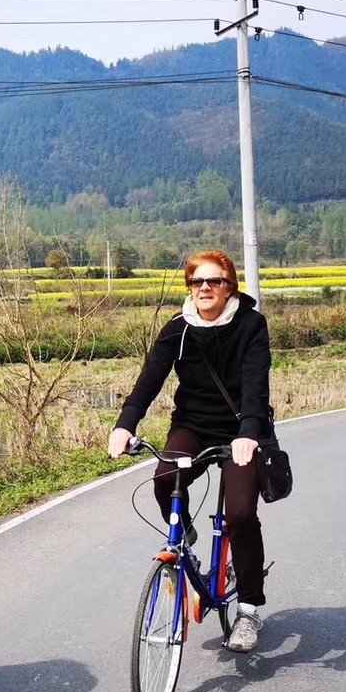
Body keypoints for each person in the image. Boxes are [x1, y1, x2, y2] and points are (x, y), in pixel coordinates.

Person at [108, 250, 273, 653]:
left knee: (239, 515)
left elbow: (256, 385)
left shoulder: (251, 325)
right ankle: (184, 535)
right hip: (193, 427)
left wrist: (249, 432)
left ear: (229, 286)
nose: (204, 288)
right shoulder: (178, 329)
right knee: (164, 480)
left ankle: (249, 609)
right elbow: (150, 379)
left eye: (213, 281)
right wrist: (125, 425)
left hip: (241, 430)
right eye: (197, 282)